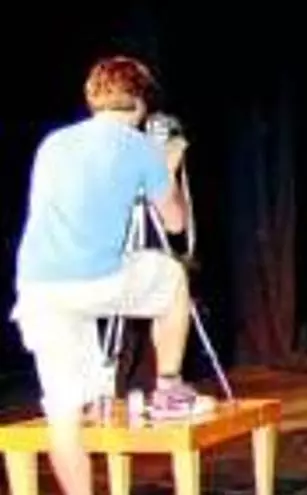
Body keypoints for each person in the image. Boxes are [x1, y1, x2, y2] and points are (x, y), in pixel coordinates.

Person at [11, 56, 212, 495]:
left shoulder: (54, 143)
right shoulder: (139, 147)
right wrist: (167, 167)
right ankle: (168, 388)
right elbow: (175, 223)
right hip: (95, 280)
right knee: (172, 277)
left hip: (39, 288)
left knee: (63, 417)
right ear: (139, 102)